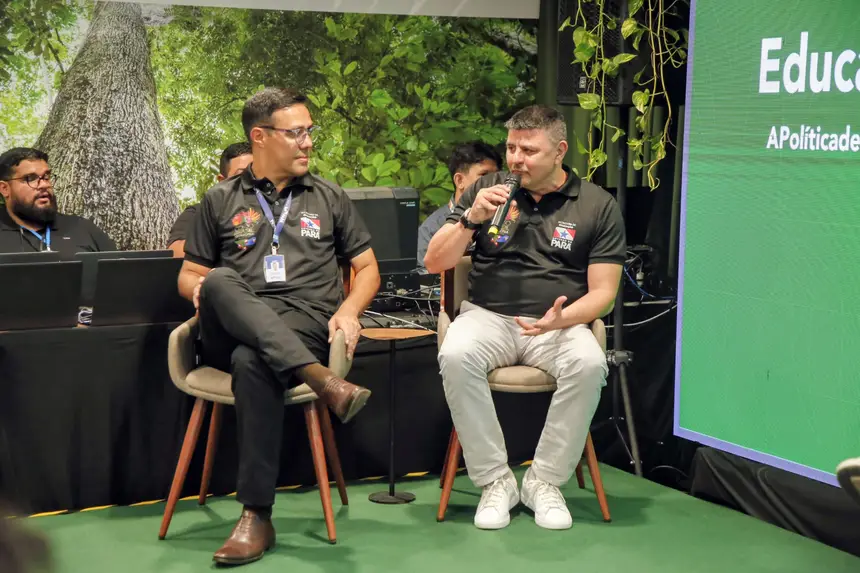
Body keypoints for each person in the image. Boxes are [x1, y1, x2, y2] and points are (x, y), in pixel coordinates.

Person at [178, 87, 380, 565]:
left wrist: (349, 310)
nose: (308, 142)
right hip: (231, 322)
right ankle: (321, 380)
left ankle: (255, 516)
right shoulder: (220, 198)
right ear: (260, 137)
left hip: (306, 321)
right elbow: (189, 275)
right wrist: (203, 291)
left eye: (310, 132)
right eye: (296, 133)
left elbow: (368, 269)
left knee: (255, 361)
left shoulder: (329, 196)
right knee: (221, 281)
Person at [424, 105, 625, 531]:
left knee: (589, 364)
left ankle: (544, 481)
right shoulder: (486, 189)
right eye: (512, 147)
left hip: (560, 322)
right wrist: (470, 217)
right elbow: (434, 261)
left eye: (529, 150)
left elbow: (604, 294)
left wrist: (561, 319)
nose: (516, 159)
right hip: (488, 316)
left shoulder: (596, 204)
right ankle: (496, 481)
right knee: (457, 353)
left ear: (560, 151)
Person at [0, 148, 115, 256]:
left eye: (46, 177)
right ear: (4, 189)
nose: (45, 185)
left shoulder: (82, 228)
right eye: (30, 178)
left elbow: (119, 273)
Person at [416, 142, 501, 271]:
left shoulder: (504, 217)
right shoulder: (431, 229)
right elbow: (426, 281)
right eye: (484, 175)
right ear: (459, 181)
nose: (492, 181)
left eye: (496, 176)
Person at [167, 142, 253, 257]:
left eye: (257, 174)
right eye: (242, 175)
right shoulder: (198, 213)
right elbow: (176, 251)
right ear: (222, 181)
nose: (252, 180)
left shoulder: (274, 211)